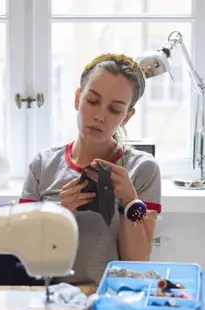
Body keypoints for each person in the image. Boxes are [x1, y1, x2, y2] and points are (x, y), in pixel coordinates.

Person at [19, 53, 162, 285]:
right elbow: (28, 258)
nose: (99, 116)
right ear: (78, 98)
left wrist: (129, 202)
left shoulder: (142, 169)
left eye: (115, 110)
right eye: (92, 101)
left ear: (127, 116)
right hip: (54, 305)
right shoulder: (42, 166)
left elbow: (137, 262)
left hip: (112, 303)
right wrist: (62, 215)